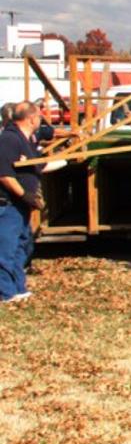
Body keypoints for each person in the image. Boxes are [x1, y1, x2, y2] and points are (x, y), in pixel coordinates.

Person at [0, 102, 44, 302]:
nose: (41, 120)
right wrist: (24, 194)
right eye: (39, 116)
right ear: (31, 119)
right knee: (5, 250)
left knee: (22, 247)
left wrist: (66, 160)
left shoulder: (25, 140)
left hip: (19, 206)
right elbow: (4, 175)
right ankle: (6, 293)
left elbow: (38, 165)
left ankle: (18, 288)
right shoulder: (9, 139)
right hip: (8, 205)